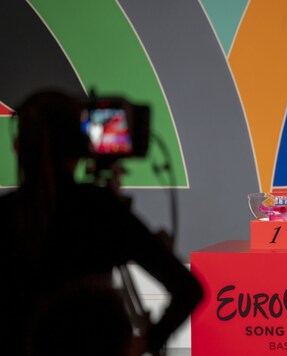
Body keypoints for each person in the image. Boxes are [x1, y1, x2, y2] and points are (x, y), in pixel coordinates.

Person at [0, 89, 203, 355]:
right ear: (79, 145)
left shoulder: (7, 212)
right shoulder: (101, 210)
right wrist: (147, 342)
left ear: (19, 147)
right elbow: (188, 289)